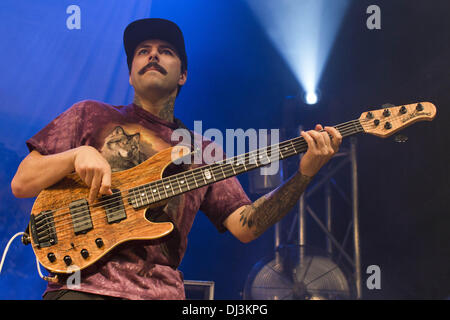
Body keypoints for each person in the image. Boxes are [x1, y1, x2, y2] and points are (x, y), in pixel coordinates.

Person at [10, 18, 342, 300]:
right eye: (143, 52)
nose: (153, 55)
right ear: (130, 74)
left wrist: (303, 175)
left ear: (182, 75)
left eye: (165, 52)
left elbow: (246, 225)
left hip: (160, 292)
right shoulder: (89, 115)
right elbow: (23, 181)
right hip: (81, 287)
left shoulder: (204, 152)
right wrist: (77, 155)